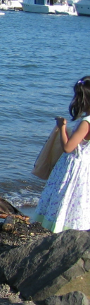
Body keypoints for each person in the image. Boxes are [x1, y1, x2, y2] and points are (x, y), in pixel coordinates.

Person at [34, 76, 90, 233]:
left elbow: (68, 147)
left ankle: (60, 227)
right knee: (80, 200)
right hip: (86, 164)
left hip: (74, 166)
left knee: (65, 196)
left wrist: (62, 128)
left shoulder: (86, 122)